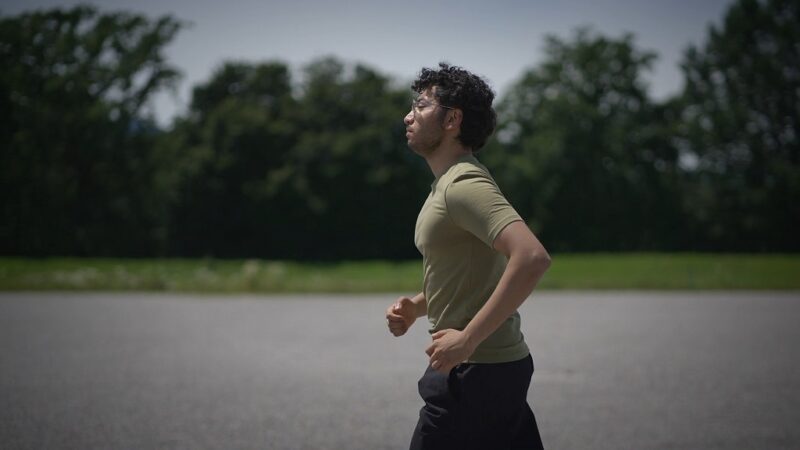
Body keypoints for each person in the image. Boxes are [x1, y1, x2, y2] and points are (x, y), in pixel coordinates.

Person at [385, 63, 552, 450]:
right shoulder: (447, 183)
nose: (408, 115)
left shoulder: (463, 184)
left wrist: (467, 341)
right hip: (489, 372)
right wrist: (416, 306)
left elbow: (531, 257)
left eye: (421, 105)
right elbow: (473, 274)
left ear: (452, 120)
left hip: (476, 375)